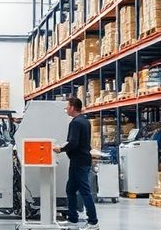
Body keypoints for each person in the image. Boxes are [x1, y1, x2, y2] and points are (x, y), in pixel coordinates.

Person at [53, 97, 98, 230]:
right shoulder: (84, 121)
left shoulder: (76, 123)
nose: (66, 109)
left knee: (85, 191)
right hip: (80, 160)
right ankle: (72, 219)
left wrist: (60, 149)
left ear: (72, 107)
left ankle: (93, 222)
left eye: (67, 106)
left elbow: (74, 143)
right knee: (70, 189)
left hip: (79, 162)